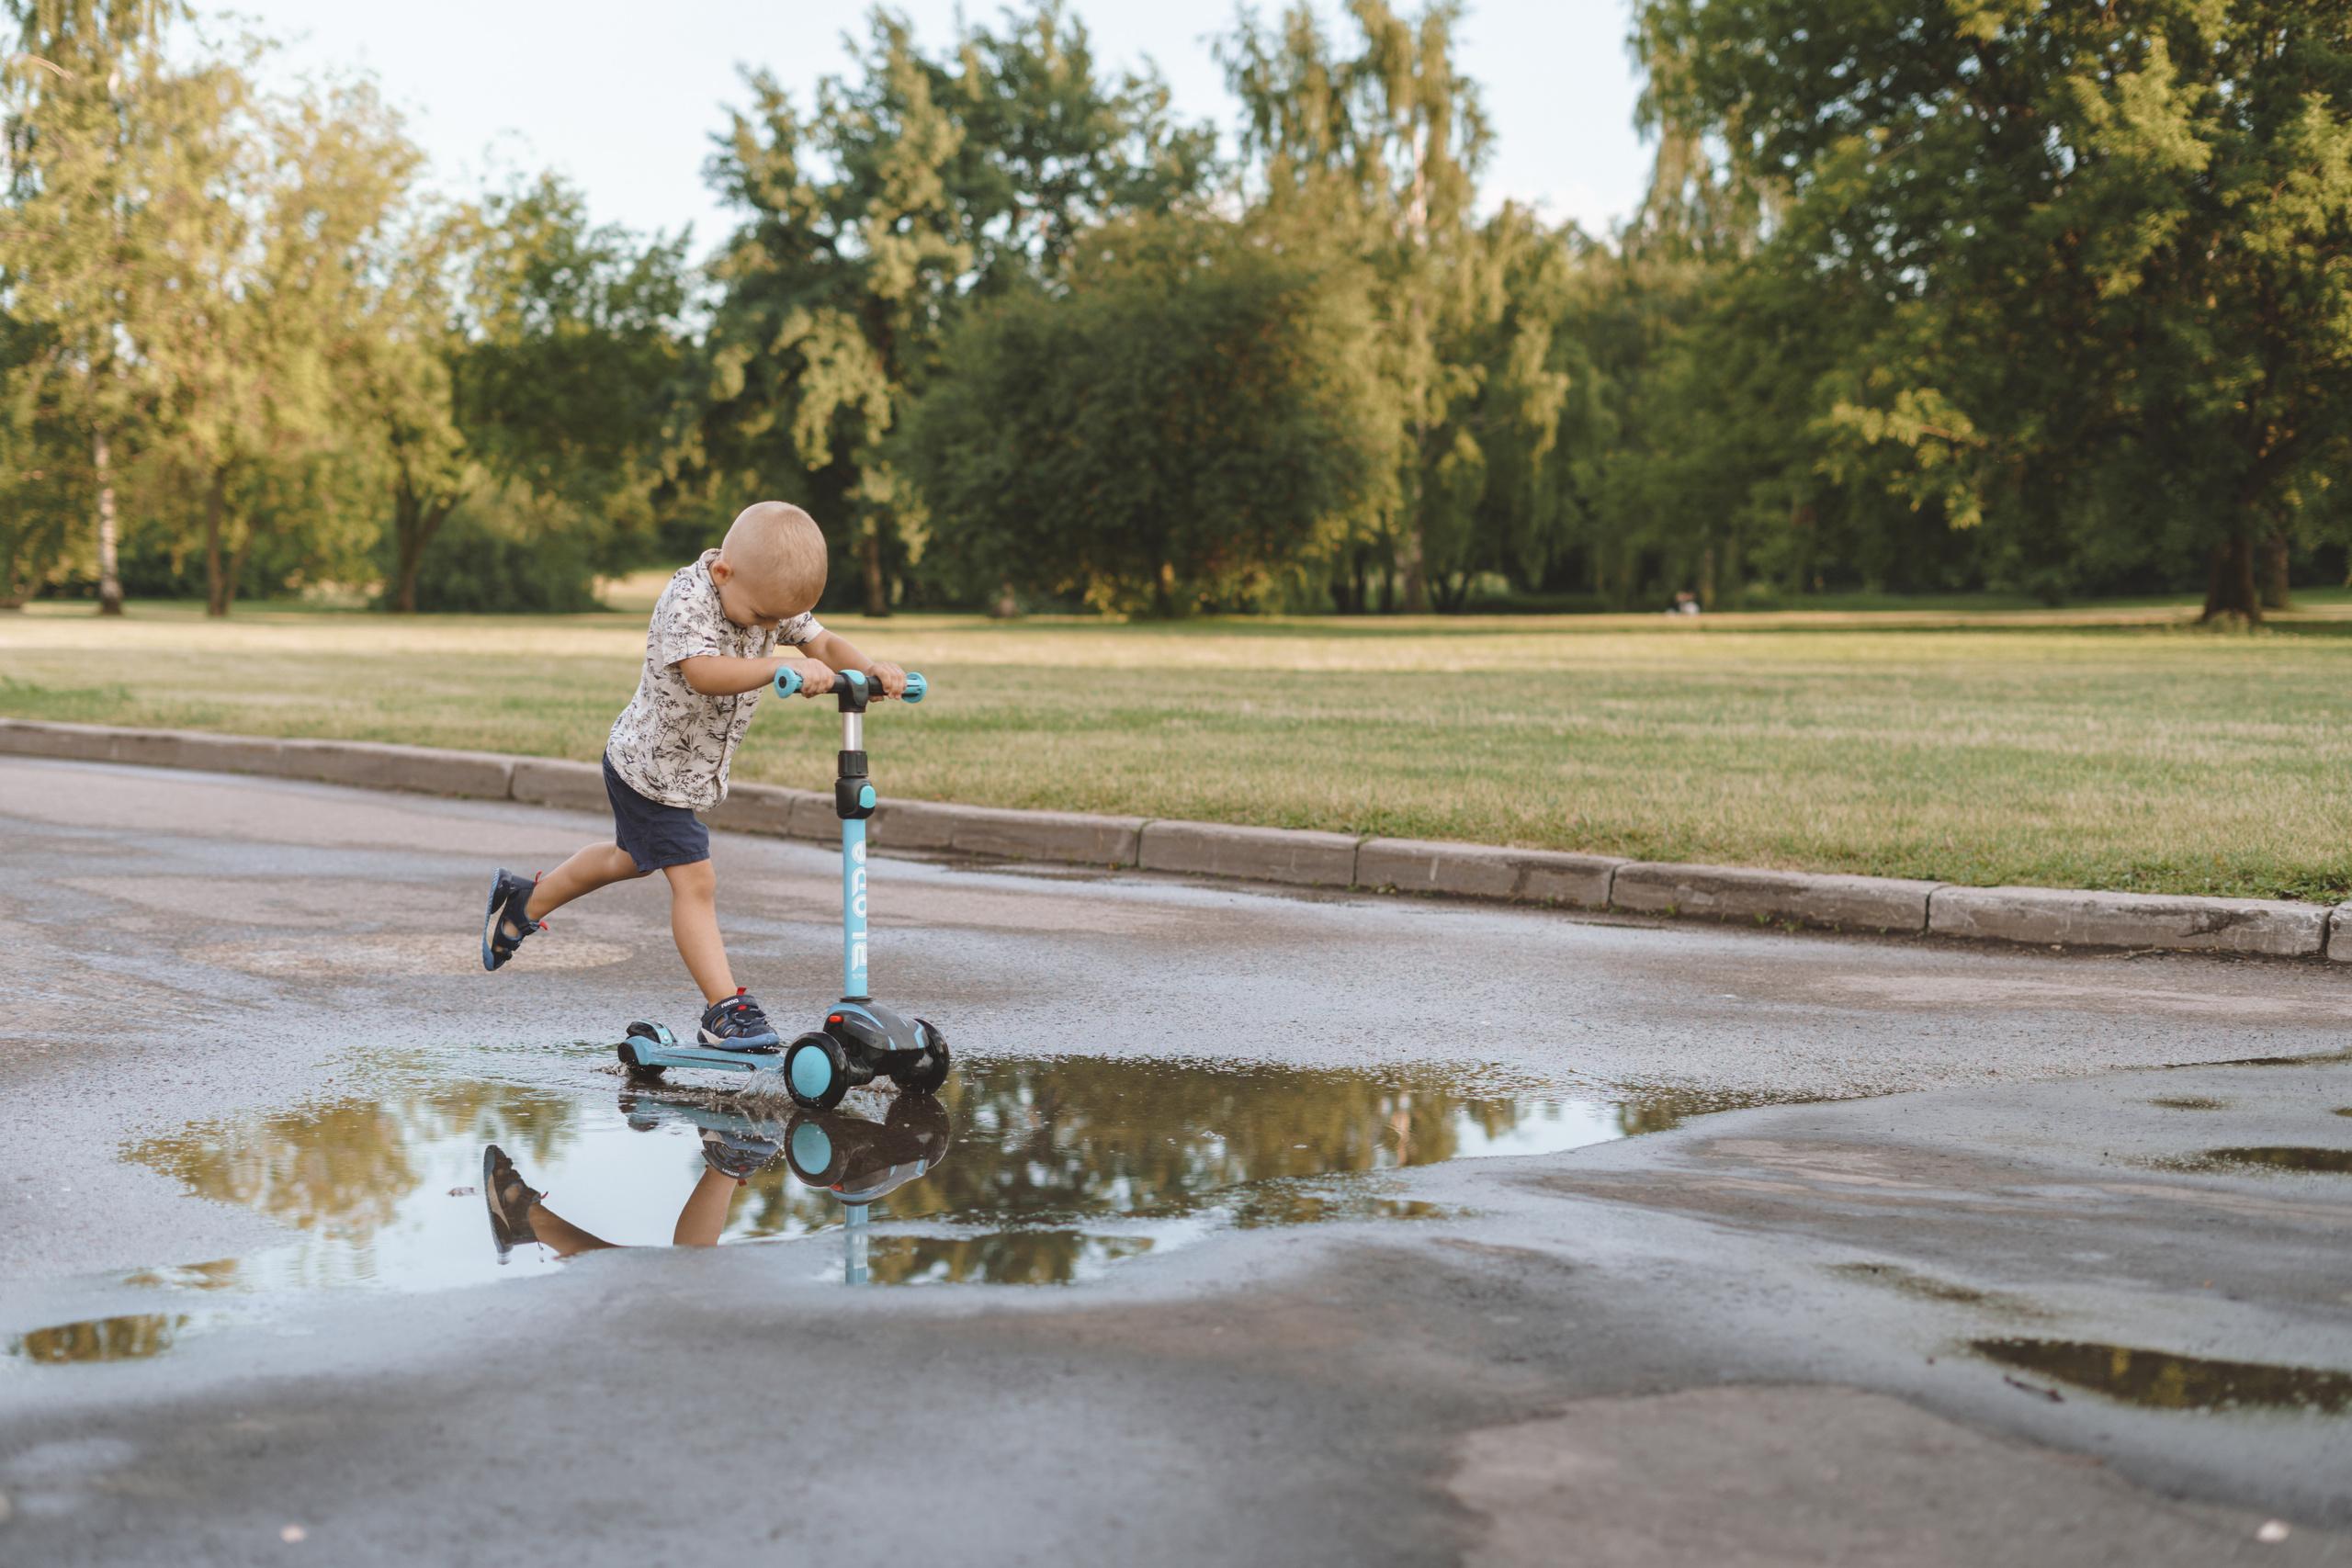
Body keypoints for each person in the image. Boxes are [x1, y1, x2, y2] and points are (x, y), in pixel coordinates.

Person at [478, 501, 908, 1050]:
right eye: (762, 620)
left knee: (627, 860)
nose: (773, 630)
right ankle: (723, 1009)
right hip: (650, 770)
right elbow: (703, 673)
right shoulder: (688, 598)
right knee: (695, 879)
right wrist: (782, 666)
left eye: (780, 623)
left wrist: (868, 668)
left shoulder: (763, 589)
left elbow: (821, 642)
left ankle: (524, 901)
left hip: (687, 775)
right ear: (724, 572)